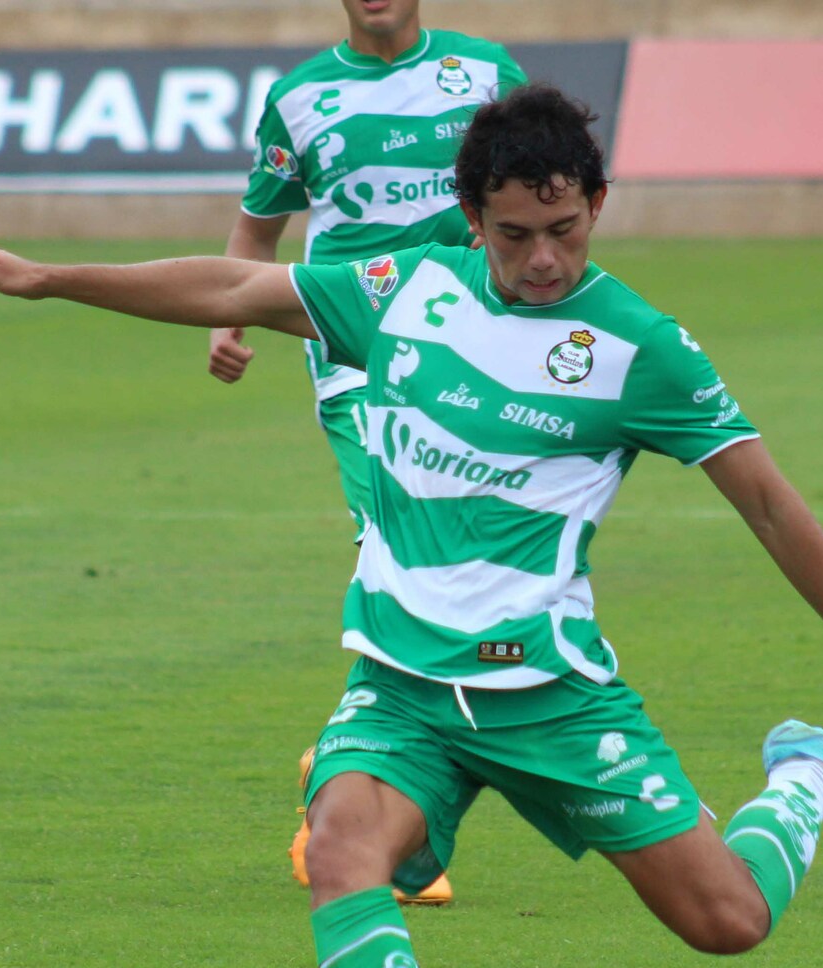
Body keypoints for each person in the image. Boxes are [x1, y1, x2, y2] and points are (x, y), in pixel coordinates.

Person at [0, 83, 823, 968]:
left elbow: (768, 502)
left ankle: (812, 775)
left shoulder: (642, 349)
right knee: (340, 846)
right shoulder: (406, 288)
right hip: (402, 684)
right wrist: (51, 278)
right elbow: (240, 282)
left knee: (728, 921)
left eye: (565, 230)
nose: (541, 259)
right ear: (470, 216)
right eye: (515, 234)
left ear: (598, 205)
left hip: (552, 698)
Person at [210, 0, 528, 905]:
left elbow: (534, 206)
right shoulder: (302, 96)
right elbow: (257, 235)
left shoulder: (485, 74)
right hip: (356, 359)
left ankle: (346, 765)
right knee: (399, 552)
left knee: (467, 562)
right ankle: (357, 810)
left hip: (470, 354)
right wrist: (232, 319)